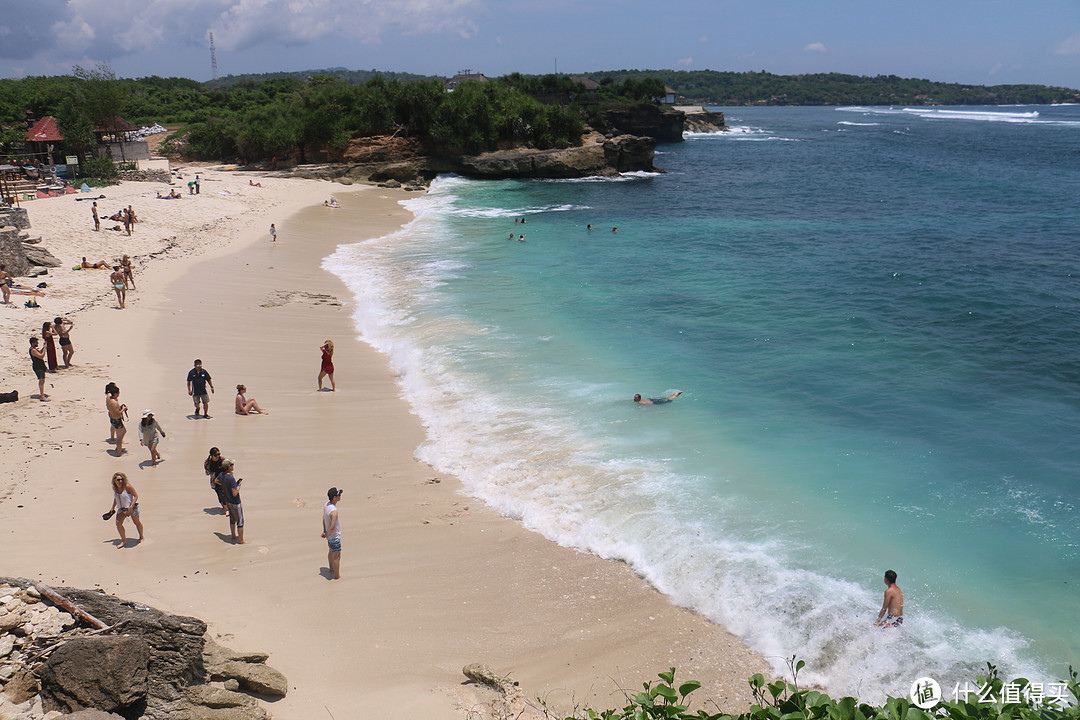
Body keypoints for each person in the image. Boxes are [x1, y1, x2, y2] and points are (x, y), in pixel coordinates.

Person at [106, 472, 144, 547]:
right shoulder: (115, 488)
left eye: (122, 479)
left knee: (136, 522)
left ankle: (141, 537)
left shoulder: (127, 486)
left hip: (132, 507)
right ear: (114, 481)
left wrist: (131, 506)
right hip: (121, 509)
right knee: (118, 523)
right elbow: (116, 498)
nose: (120, 481)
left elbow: (136, 496)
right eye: (118, 480)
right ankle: (123, 540)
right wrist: (112, 507)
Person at [219, 459, 244, 544]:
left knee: (232, 519)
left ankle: (233, 536)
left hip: (228, 501)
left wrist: (225, 486)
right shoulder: (230, 479)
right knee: (240, 521)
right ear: (229, 467)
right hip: (235, 502)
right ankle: (241, 541)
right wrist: (238, 486)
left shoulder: (222, 475)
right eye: (232, 465)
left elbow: (216, 481)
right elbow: (234, 493)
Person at [321, 487, 343, 580]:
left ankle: (331, 569)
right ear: (334, 497)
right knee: (337, 556)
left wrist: (325, 531)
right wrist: (327, 533)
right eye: (338, 495)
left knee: (330, 552)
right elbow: (333, 526)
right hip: (334, 536)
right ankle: (337, 576)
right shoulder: (334, 511)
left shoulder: (327, 505)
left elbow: (323, 518)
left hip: (329, 535)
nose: (340, 496)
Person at [204, 447, 228, 512]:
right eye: (215, 455)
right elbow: (207, 472)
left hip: (223, 478)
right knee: (219, 494)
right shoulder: (207, 462)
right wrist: (213, 477)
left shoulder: (223, 460)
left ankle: (227, 509)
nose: (217, 456)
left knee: (224, 493)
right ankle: (225, 508)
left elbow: (229, 467)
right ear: (211, 456)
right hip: (214, 480)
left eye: (218, 454)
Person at [106, 384, 127, 455]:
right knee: (119, 438)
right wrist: (123, 409)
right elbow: (118, 414)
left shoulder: (109, 398)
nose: (119, 394)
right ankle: (119, 453)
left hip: (112, 418)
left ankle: (118, 448)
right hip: (116, 420)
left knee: (124, 431)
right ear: (115, 394)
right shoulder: (114, 402)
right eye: (118, 393)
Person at [29, 337, 48, 401]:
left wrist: (44, 347)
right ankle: (42, 396)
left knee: (42, 380)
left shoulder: (34, 349)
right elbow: (41, 356)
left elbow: (40, 352)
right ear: (32, 343)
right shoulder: (33, 350)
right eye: (36, 342)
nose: (37, 343)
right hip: (38, 366)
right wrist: (45, 349)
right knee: (41, 381)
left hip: (40, 366)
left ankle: (42, 394)